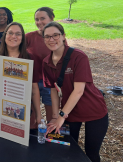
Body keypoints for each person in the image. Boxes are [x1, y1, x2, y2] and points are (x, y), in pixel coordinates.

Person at [43, 22, 108, 162]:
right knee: (68, 150)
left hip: (93, 108)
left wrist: (61, 116)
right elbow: (53, 90)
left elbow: (79, 91)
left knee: (91, 153)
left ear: (63, 36)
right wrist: (55, 116)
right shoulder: (46, 62)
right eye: (47, 36)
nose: (51, 39)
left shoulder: (79, 56)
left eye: (55, 35)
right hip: (70, 111)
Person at [0, 22, 42, 127]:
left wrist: (38, 114)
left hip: (23, 108)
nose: (13, 37)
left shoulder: (30, 58)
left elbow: (34, 88)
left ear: (22, 37)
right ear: (5, 36)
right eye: (10, 33)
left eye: (18, 34)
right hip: (0, 109)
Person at [25, 7, 55, 123]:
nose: (39, 22)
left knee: (52, 117)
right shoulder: (29, 37)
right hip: (32, 82)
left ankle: (50, 137)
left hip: (50, 83)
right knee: (33, 119)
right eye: (36, 19)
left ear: (51, 18)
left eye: (43, 18)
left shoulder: (58, 37)